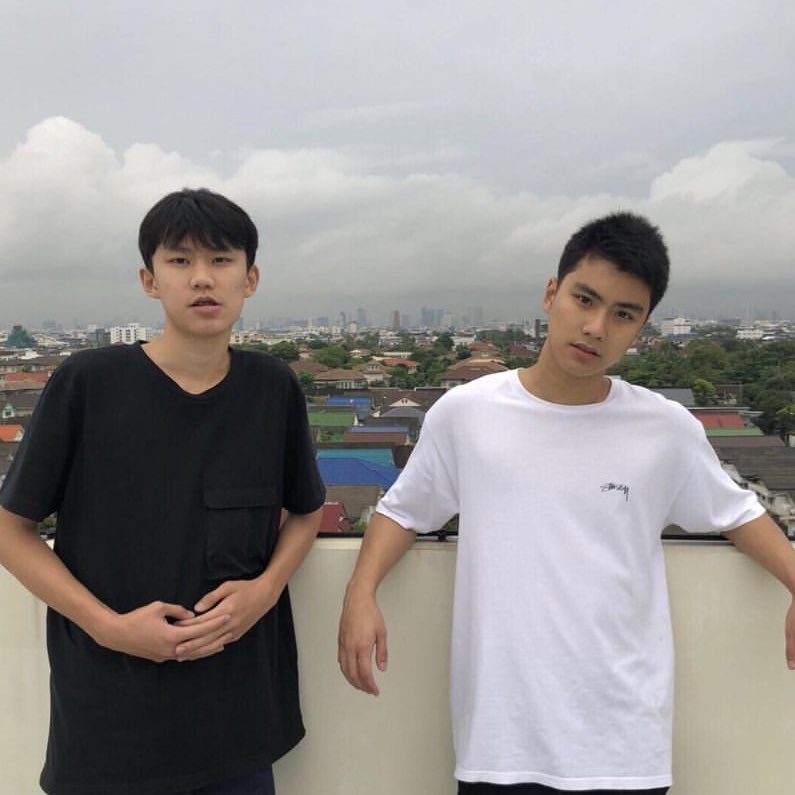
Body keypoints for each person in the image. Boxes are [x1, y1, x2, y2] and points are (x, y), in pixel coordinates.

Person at [338, 211, 795, 794]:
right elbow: (404, 510)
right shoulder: (467, 414)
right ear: (551, 294)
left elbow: (738, 512)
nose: (595, 327)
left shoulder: (664, 428)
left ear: (642, 328)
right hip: (500, 742)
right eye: (585, 299)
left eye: (623, 314)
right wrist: (360, 593)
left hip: (623, 744)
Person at [0, 188, 325, 795]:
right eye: (179, 260)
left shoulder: (272, 388)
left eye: (221, 260)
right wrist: (109, 628)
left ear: (250, 278)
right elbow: (10, 530)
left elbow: (306, 513)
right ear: (149, 280)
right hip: (111, 715)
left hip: (238, 713)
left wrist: (263, 591)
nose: (202, 277)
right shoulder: (89, 384)